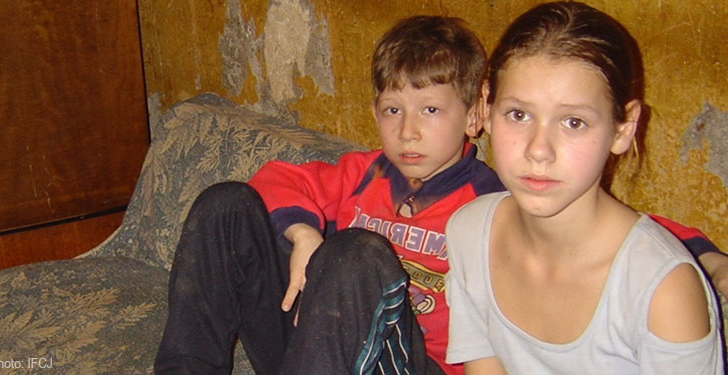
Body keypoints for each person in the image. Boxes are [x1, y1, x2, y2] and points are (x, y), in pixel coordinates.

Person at [155, 14, 726, 375]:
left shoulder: (499, 192)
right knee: (226, 204)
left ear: (475, 113)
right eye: (393, 110)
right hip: (315, 345)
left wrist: (709, 258)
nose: (408, 131)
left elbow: (619, 227)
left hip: (411, 361)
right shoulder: (364, 172)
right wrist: (302, 231)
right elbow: (278, 179)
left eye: (431, 110)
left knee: (355, 253)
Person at [444, 2, 724, 374]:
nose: (538, 150)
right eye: (519, 114)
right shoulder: (469, 232)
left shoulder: (660, 289)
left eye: (573, 122)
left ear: (622, 130)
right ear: (486, 109)